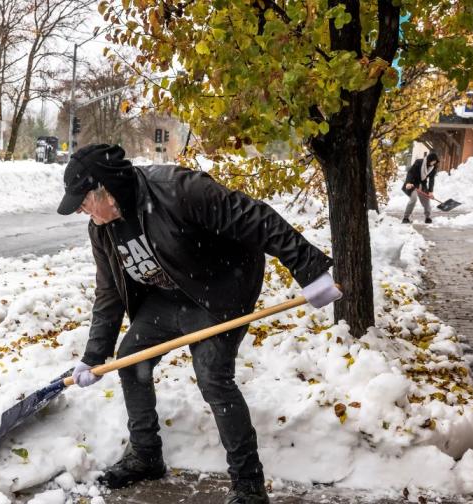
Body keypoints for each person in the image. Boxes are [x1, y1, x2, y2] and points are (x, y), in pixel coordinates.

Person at [57, 144, 342, 504]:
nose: (81, 209)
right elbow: (110, 294)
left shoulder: (177, 189)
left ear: (107, 189)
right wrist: (94, 356)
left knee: (213, 378)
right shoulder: (102, 229)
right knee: (132, 361)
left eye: (83, 200)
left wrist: (310, 271)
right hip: (168, 296)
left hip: (220, 291)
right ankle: (146, 455)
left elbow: (256, 218)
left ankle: (248, 484)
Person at [402, 152, 439, 224]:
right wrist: (408, 183)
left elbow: (432, 179)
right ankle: (405, 218)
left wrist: (431, 191)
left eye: (435, 162)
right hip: (413, 184)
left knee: (426, 201)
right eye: (433, 161)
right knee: (413, 199)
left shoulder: (433, 167)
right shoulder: (419, 162)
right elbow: (410, 172)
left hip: (423, 185)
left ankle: (428, 217)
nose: (433, 163)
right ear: (429, 159)